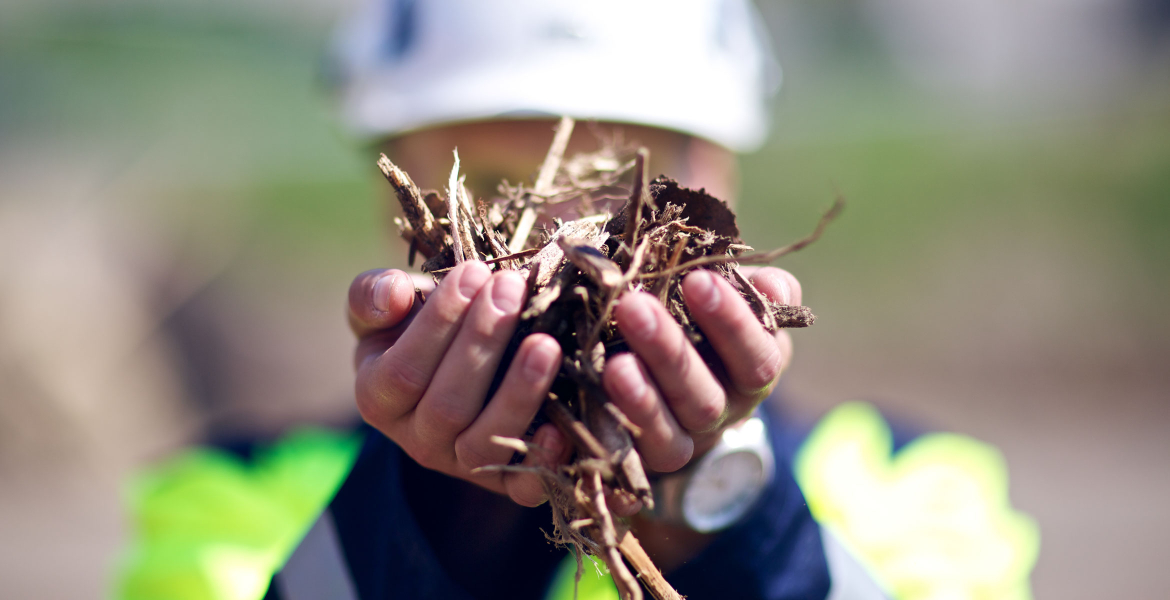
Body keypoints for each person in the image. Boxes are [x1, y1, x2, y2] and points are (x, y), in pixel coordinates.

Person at [117, 2, 1039, 599]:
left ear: (709, 180)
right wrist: (431, 514)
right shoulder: (232, 500)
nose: (555, 228)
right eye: (488, 178)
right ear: (395, 191)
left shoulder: (910, 487)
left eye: (607, 173)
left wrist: (717, 510)